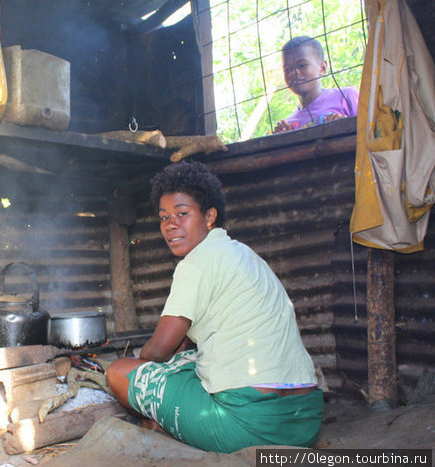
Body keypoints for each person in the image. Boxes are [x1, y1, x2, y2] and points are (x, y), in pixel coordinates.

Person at [105, 160, 323, 453]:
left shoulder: (196, 263)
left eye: (182, 214)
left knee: (119, 371)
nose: (171, 225)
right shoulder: (244, 254)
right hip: (304, 420)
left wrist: (140, 360)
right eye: (163, 217)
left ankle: (160, 424)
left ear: (210, 216)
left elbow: (159, 351)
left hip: (249, 426)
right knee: (190, 358)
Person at [273, 36, 358, 133]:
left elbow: (371, 130)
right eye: (287, 69)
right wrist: (285, 138)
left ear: (322, 68)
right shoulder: (289, 123)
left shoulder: (346, 96)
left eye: (302, 65)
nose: (294, 73)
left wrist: (345, 126)